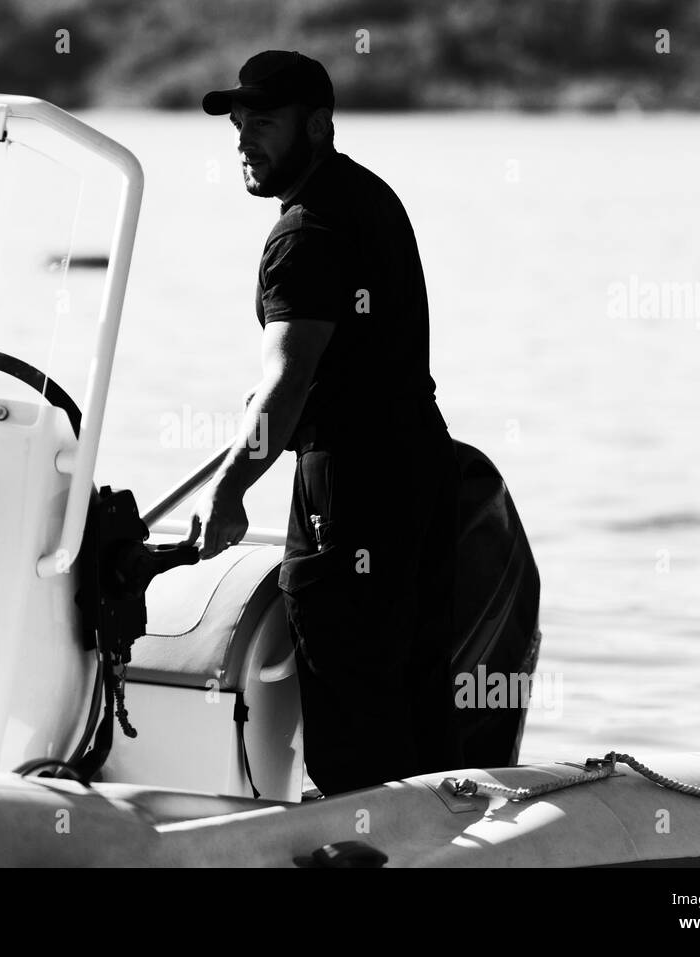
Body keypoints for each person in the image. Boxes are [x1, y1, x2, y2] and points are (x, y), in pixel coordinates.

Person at [185, 50, 464, 796]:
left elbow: (289, 380)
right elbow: (322, 365)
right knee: (394, 696)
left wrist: (228, 489)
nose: (244, 141)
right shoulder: (368, 196)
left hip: (350, 487)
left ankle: (359, 829)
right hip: (413, 468)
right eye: (240, 125)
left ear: (316, 125)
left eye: (264, 124)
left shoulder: (304, 232)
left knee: (348, 721)